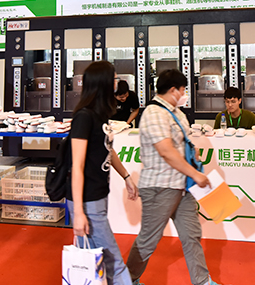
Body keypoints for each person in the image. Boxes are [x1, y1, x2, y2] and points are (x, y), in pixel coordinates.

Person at [127, 69, 223, 285]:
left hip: (182, 187)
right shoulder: (153, 113)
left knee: (191, 234)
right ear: (173, 90)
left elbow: (181, 143)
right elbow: (166, 151)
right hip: (159, 187)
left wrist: (192, 151)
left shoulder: (177, 113)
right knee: (148, 240)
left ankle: (202, 281)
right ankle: (128, 279)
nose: (184, 94)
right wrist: (195, 174)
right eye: (183, 89)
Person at [67, 60, 138, 285]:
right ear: (103, 83)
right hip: (87, 201)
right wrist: (78, 212)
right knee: (114, 262)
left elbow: (108, 150)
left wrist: (126, 176)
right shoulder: (84, 117)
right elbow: (77, 165)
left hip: (98, 197)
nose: (117, 82)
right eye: (114, 78)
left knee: (97, 259)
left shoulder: (99, 115)